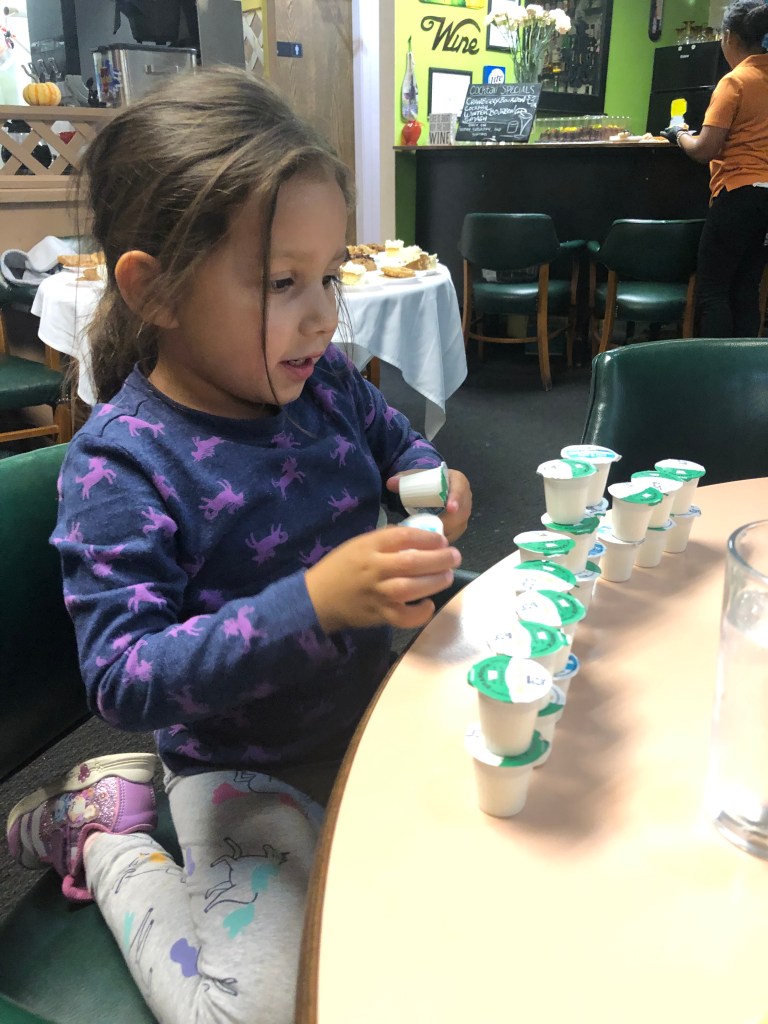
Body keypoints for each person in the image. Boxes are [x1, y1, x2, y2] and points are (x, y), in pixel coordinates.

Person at [5, 66, 472, 1024]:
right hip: (236, 768)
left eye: (330, 275)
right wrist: (313, 602)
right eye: (282, 283)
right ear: (156, 291)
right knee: (251, 1011)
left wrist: (434, 483)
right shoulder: (122, 465)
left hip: (367, 722)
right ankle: (103, 836)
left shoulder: (326, 383)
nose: (324, 315)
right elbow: (123, 678)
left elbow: (400, 445)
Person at [661, 0, 768, 337]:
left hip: (738, 193)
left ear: (730, 37)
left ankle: (713, 367)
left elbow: (704, 149)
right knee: (747, 289)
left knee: (714, 291)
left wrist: (679, 134)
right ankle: (743, 368)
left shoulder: (735, 81)